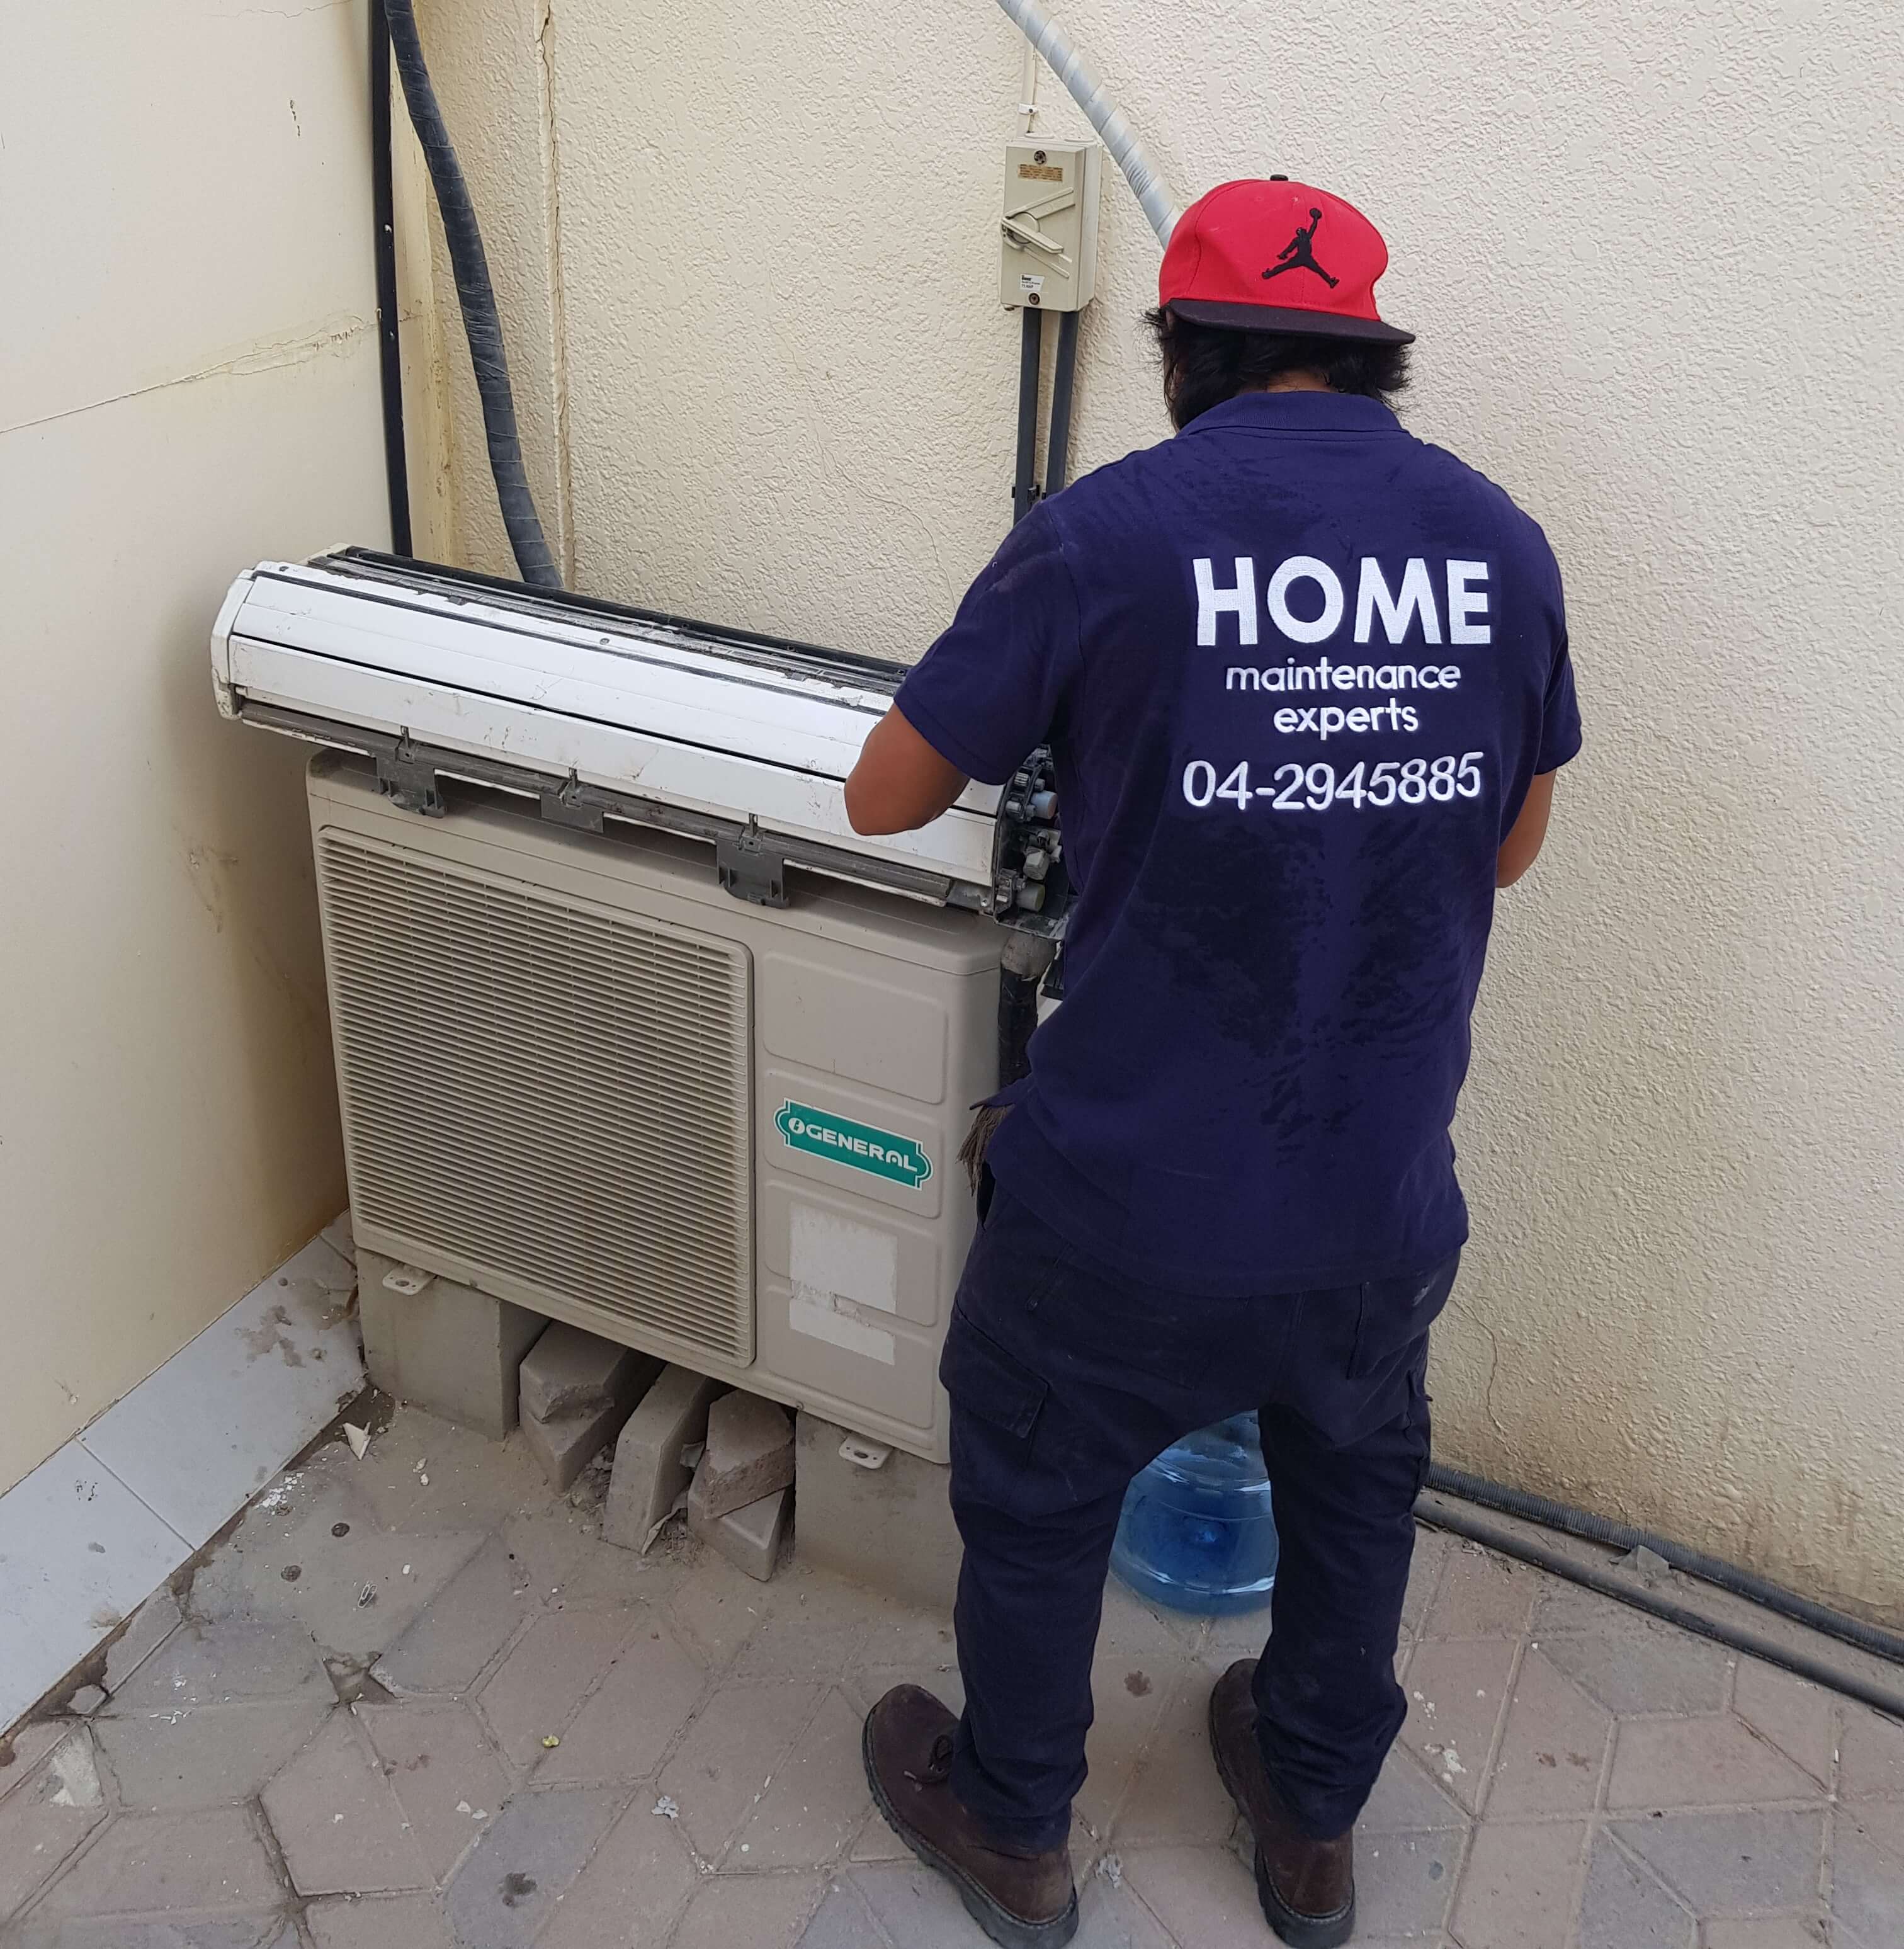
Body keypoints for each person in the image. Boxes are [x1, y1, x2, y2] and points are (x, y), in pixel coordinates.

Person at [842, 176, 1580, 1949]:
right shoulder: (1500, 544)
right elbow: (1508, 850)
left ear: (1184, 353)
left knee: (1036, 1495)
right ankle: (1311, 1823)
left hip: (1124, 1198)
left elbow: (885, 794)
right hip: (1372, 1196)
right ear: (1372, 353)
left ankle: (1017, 1822)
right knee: (1355, 1486)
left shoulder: (1107, 532)